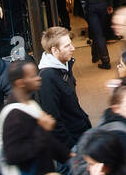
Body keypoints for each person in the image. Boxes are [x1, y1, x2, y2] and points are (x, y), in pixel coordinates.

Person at [0, 58, 69, 175]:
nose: (38, 79)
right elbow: (13, 155)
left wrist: (67, 156)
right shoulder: (15, 115)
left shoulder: (29, 102)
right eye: (33, 76)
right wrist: (43, 129)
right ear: (20, 83)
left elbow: (45, 140)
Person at [38, 26, 93, 158]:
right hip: (73, 145)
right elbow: (53, 119)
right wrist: (70, 148)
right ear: (55, 50)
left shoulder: (64, 66)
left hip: (80, 136)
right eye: (67, 46)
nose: (73, 48)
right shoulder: (47, 78)